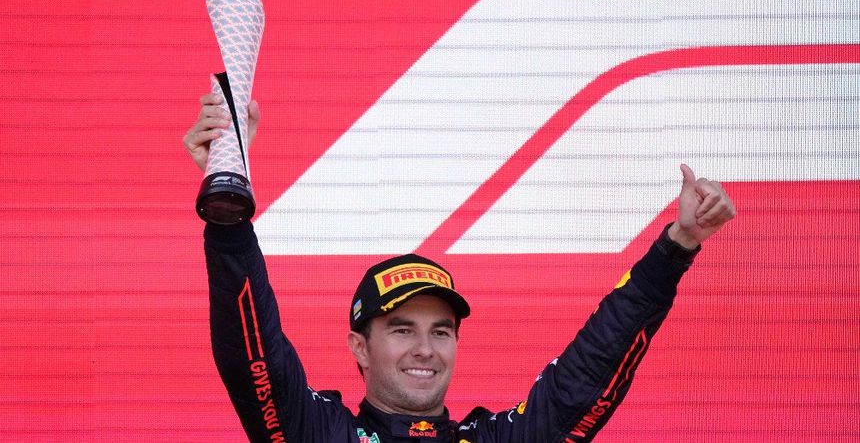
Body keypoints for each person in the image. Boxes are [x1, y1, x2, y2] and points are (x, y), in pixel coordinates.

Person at [184, 94, 736, 442]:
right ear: (359, 348)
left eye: (441, 331)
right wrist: (228, 213)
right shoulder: (319, 433)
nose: (426, 349)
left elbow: (588, 374)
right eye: (402, 329)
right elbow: (253, 352)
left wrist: (677, 246)